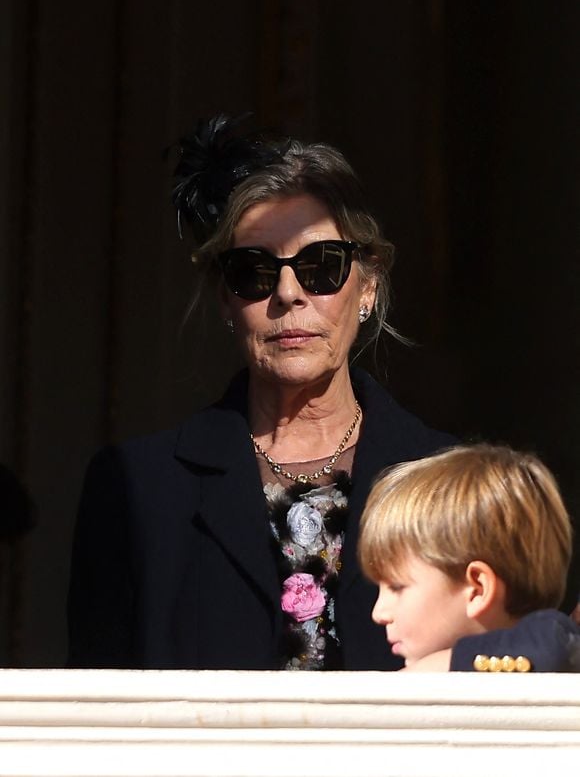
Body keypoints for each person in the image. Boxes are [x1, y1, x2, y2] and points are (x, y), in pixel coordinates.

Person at [67, 114, 454, 670]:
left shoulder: (448, 480)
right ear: (226, 298)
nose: (288, 293)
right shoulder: (138, 488)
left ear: (368, 286)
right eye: (254, 271)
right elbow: (93, 716)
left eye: (321, 266)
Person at [358, 443, 580, 672]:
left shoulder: (545, 649)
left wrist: (439, 666)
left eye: (397, 587)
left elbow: (553, 647)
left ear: (477, 589)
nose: (379, 613)